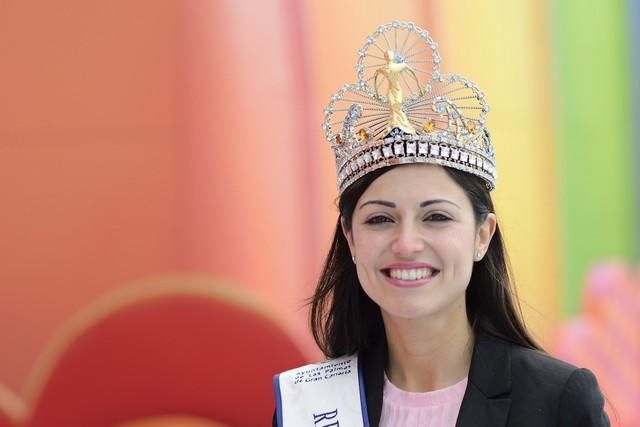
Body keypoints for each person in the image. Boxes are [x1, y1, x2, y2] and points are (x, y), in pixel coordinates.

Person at [273, 21, 609, 427]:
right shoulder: (311, 405)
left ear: (482, 236)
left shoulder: (557, 400)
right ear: (350, 238)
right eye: (380, 219)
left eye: (436, 217)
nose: (407, 242)